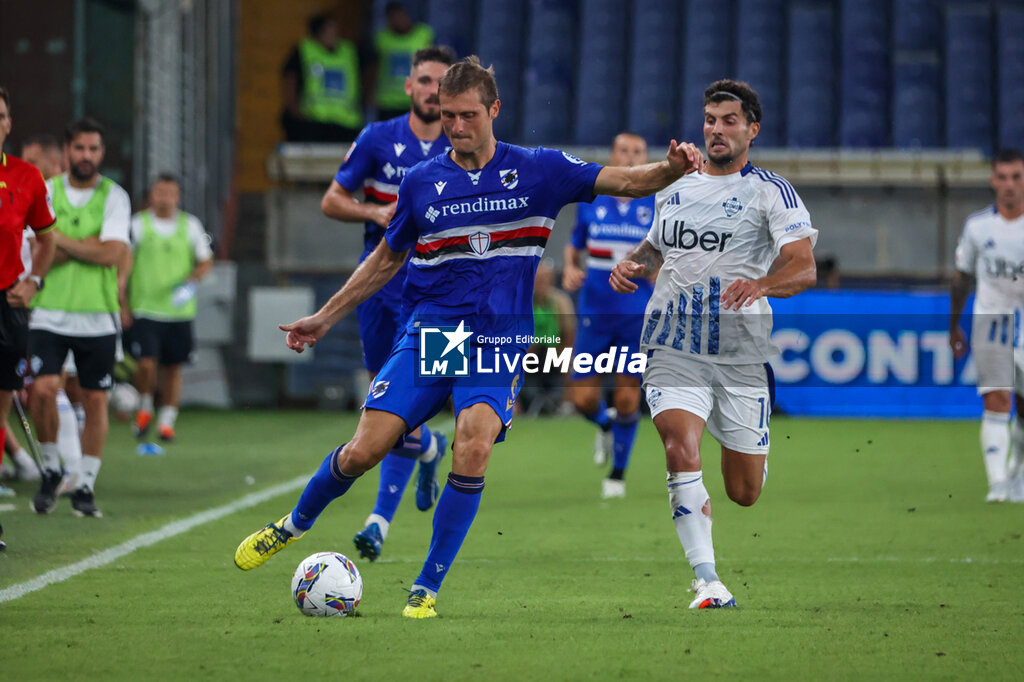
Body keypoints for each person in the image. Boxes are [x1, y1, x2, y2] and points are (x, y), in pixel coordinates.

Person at [234, 56, 704, 619]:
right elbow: (385, 260)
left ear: (493, 110)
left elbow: (627, 180)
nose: (455, 127)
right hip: (434, 335)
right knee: (364, 450)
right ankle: (293, 525)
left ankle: (425, 588)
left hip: (499, 340)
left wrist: (673, 169)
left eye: (467, 115)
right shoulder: (423, 182)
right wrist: (324, 317)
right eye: (446, 115)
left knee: (473, 446)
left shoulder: (539, 169)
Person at [610, 79, 817, 609]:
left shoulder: (771, 191)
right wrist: (635, 264)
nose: (716, 129)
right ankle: (708, 580)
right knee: (679, 447)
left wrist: (763, 285)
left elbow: (804, 266)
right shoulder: (676, 186)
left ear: (753, 129)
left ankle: (752, 444)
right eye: (710, 119)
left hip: (741, 352)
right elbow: (658, 247)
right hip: (672, 340)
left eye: (728, 120)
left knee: (744, 493)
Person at [320, 46, 456, 562]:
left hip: (442, 296)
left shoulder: (462, 145)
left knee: (405, 409)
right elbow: (331, 200)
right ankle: (427, 449)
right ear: (409, 86)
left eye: (441, 84)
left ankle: (377, 522)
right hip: (379, 288)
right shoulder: (378, 138)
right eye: (424, 81)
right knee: (388, 408)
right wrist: (374, 212)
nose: (431, 91)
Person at [28, 117, 131, 518]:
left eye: (93, 149)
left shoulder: (114, 196)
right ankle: (52, 466)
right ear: (66, 152)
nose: (86, 155)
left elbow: (111, 253)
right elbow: (34, 250)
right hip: (48, 311)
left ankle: (85, 483)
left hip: (97, 315)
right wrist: (84, 244)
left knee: (94, 398)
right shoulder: (47, 190)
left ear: (101, 153)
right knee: (42, 390)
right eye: (79, 148)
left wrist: (54, 240)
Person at [563, 132, 656, 498]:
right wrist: (571, 268)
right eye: (624, 151)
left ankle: (617, 474)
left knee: (628, 397)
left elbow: (663, 256)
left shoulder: (656, 203)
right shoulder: (593, 199)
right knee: (582, 398)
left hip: (635, 314)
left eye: (638, 151)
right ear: (613, 155)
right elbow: (574, 247)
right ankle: (604, 424)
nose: (631, 157)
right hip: (595, 312)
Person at [949, 148, 1024, 504]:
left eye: (1017, 177)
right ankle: (997, 484)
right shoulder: (978, 227)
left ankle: (1018, 475)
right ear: (993, 180)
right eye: (1003, 177)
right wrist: (954, 326)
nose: (1009, 184)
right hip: (992, 321)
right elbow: (962, 278)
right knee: (997, 399)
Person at [124, 173, 213, 442]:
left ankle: (167, 421)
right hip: (145, 308)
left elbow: (205, 262)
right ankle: (144, 407)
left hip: (179, 312)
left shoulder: (191, 225)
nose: (164, 198)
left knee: (174, 368)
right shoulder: (138, 225)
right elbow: (124, 264)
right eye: (159, 192)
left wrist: (191, 279)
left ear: (177, 197)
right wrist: (122, 302)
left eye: (169, 193)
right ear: (151, 195)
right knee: (146, 364)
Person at [0, 86, 57, 502]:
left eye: (2, 115)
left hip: (8, 304)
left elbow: (46, 239)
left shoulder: (25, 176)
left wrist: (33, 280)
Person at [281, 13, 363, 142]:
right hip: (313, 122)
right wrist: (294, 110)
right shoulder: (305, 51)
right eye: (328, 30)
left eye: (335, 30)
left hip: (345, 123)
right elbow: (289, 78)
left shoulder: (348, 51)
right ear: (317, 33)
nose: (333, 35)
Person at [519, 258, 575, 416]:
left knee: (570, 360)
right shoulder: (521, 301)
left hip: (554, 352)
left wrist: (562, 355)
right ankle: (512, 404)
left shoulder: (561, 301)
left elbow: (569, 335)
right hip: (527, 352)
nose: (541, 283)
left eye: (544, 279)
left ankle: (567, 404)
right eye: (537, 279)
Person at [370, 3, 435, 121]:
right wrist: (371, 94)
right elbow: (374, 68)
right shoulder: (382, 38)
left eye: (399, 16)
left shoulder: (423, 35)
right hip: (387, 101)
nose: (396, 21)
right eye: (392, 18)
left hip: (413, 100)